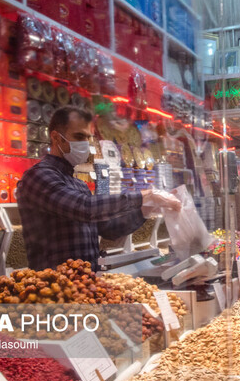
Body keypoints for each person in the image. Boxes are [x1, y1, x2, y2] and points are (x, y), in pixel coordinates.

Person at [17, 107, 181, 270]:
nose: (86, 144)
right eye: (79, 136)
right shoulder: (38, 177)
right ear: (56, 138)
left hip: (86, 286)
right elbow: (84, 207)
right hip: (53, 288)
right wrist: (146, 195)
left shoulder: (78, 184)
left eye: (88, 138)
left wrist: (147, 208)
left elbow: (109, 229)